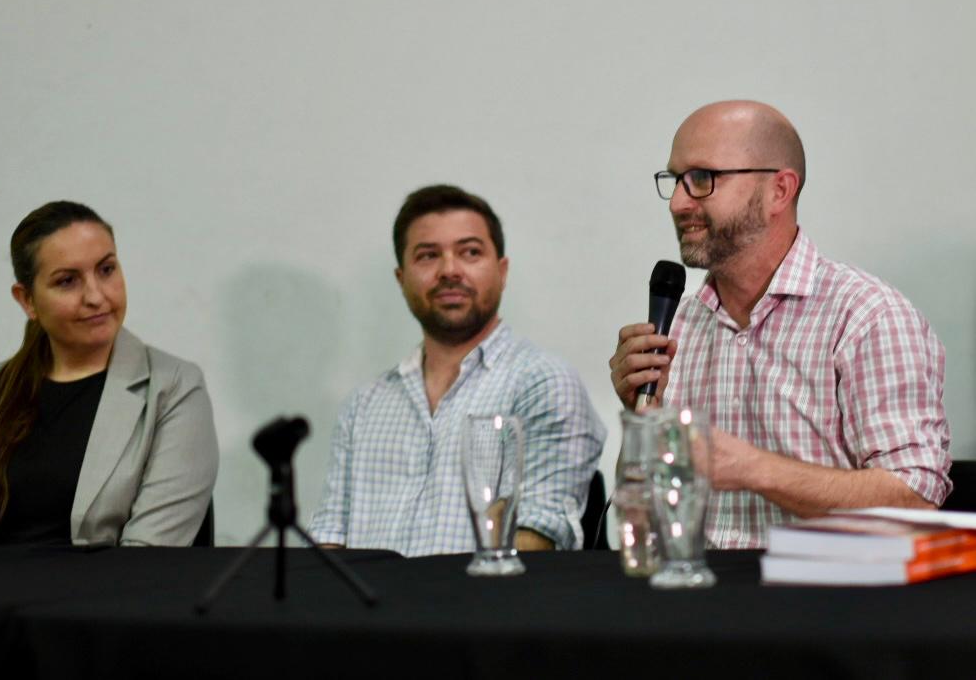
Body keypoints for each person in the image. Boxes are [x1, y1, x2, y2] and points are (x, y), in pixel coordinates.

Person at [609, 100, 951, 548]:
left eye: (701, 179)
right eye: (674, 181)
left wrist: (752, 468)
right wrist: (641, 421)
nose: (677, 202)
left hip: (824, 602)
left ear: (779, 191)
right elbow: (638, 522)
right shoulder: (679, 325)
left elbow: (916, 501)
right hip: (691, 597)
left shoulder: (866, 316)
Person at [309, 185, 606, 556]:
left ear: (502, 271)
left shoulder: (542, 382)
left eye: (470, 252)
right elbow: (330, 539)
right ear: (401, 280)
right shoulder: (364, 404)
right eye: (428, 255)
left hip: (486, 609)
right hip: (363, 611)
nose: (449, 271)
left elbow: (540, 536)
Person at [0, 201, 218, 546]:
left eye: (106, 270)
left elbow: (149, 559)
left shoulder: (174, 388)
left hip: (107, 598)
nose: (96, 296)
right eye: (67, 281)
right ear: (27, 300)